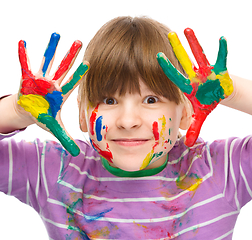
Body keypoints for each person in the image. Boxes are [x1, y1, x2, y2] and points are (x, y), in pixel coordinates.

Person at [0, 16, 252, 240]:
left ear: (185, 112)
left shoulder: (219, 171)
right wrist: (16, 110)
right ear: (82, 115)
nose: (128, 121)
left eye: (151, 100)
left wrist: (233, 92)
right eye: (109, 100)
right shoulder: (55, 171)